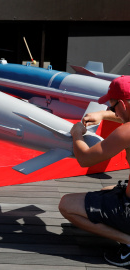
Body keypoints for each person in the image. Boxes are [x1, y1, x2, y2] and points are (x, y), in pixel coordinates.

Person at [59, 75, 130, 267]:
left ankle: (129, 243)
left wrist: (76, 135)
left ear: (122, 104)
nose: (110, 110)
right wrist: (101, 115)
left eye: (112, 106)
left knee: (66, 204)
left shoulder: (127, 131)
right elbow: (123, 113)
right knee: (107, 189)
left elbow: (85, 158)